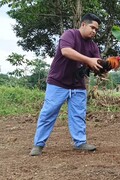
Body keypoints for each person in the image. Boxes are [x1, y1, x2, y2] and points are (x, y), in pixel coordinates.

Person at [30, 13, 103, 156]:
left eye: (96, 30)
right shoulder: (70, 34)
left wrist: (105, 69)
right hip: (58, 82)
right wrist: (89, 60)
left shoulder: (93, 46)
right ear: (83, 24)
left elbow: (97, 65)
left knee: (78, 114)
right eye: (92, 27)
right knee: (49, 113)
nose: (94, 31)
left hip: (77, 84)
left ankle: (80, 142)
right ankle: (38, 145)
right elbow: (66, 51)